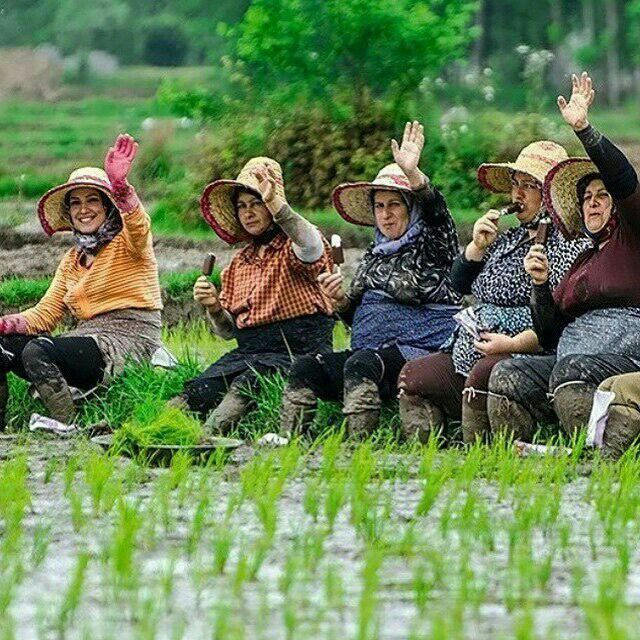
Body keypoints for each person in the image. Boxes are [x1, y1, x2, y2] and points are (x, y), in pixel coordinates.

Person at [279, 121, 461, 438]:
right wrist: (340, 302)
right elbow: (356, 317)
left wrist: (414, 175)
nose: (386, 214)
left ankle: (358, 446)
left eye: (394, 205)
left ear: (412, 209)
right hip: (370, 354)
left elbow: (438, 215)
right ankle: (292, 442)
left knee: (361, 363)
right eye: (379, 206)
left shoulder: (433, 249)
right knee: (305, 367)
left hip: (415, 353)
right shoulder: (373, 254)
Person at [397, 140, 587, 443]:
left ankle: (484, 455)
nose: (517, 194)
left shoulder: (568, 243)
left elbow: (560, 318)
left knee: (484, 373)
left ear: (551, 194)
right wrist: (477, 247)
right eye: (515, 184)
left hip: (526, 348)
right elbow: (456, 287)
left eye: (529, 186)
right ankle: (431, 452)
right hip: (474, 347)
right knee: (414, 376)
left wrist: (511, 343)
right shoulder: (507, 239)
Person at [487, 72, 640, 443]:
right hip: (571, 357)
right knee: (507, 375)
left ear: (617, 207)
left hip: (626, 353)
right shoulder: (582, 260)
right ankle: (520, 460)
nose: (592, 202)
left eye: (601, 196)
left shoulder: (632, 237)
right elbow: (549, 332)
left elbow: (623, 180)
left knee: (571, 370)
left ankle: (592, 453)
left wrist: (585, 130)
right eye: (586, 197)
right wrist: (540, 286)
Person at [0, 134, 163, 428]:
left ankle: (67, 425)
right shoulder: (72, 260)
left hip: (127, 339)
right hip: (87, 339)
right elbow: (45, 314)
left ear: (108, 206)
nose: (83, 209)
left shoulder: (128, 243)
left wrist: (124, 191)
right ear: (69, 212)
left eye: (92, 200)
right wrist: (7, 323)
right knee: (4, 344)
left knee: (38, 351)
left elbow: (139, 227)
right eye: (75, 203)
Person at [169, 157, 334, 432]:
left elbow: (311, 244)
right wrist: (213, 308)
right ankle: (158, 429)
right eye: (242, 206)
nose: (248, 212)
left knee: (243, 387)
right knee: (200, 389)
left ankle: (208, 436)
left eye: (257, 203)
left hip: (298, 349)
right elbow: (229, 332)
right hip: (250, 351)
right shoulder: (237, 265)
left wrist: (278, 206)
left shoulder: (293, 249)